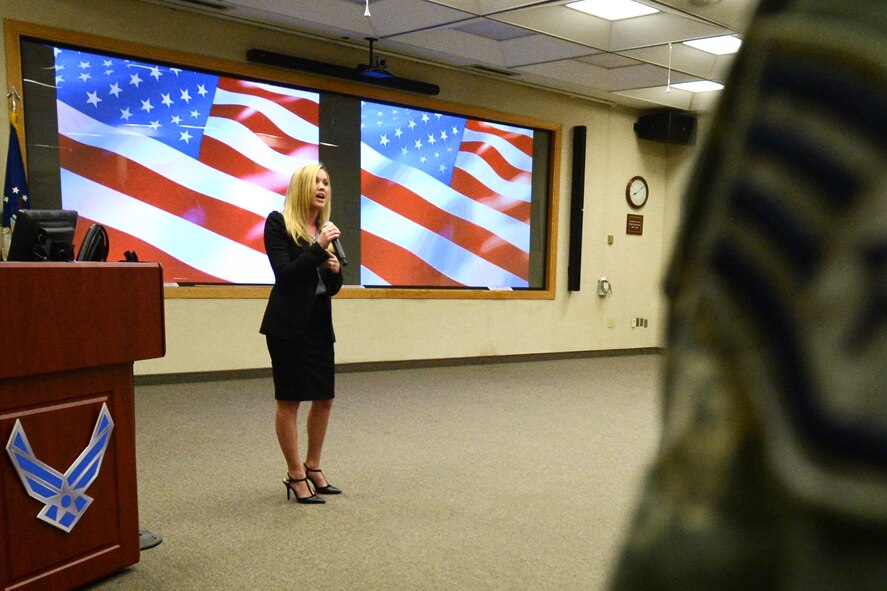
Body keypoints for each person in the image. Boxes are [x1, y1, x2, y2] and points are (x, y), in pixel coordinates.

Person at [260, 163, 344, 505]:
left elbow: (330, 286)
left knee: (324, 398)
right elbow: (285, 274)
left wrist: (334, 270)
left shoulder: (324, 228)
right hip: (287, 327)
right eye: (315, 182)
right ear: (301, 188)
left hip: (319, 325)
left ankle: (313, 466)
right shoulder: (278, 223)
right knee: (290, 399)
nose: (322, 188)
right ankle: (295, 474)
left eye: (326, 182)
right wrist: (316, 250)